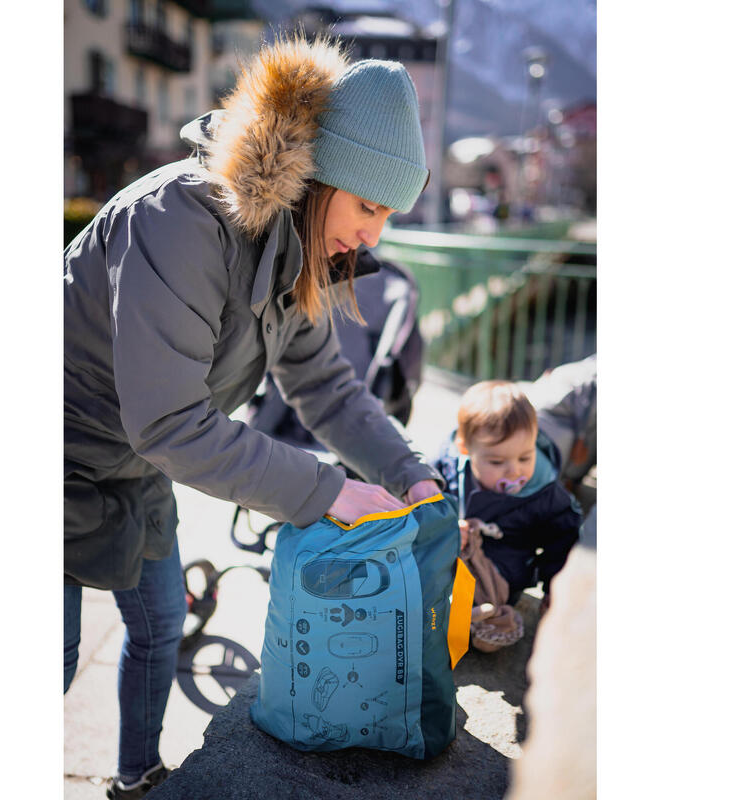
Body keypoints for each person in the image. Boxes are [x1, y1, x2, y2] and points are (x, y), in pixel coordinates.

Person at [64, 34, 442, 799]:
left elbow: (325, 387)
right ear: (317, 179)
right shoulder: (178, 220)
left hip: (132, 468)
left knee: (163, 624)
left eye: (389, 215)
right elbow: (172, 424)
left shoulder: (298, 249)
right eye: (368, 206)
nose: (375, 235)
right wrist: (327, 490)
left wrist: (408, 472)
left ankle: (135, 777)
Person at [432, 380, 581, 650]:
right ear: (464, 448)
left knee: (493, 594)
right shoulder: (447, 467)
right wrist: (445, 525)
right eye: (497, 462)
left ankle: (484, 619)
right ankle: (442, 615)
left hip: (504, 568)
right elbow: (425, 502)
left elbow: (562, 541)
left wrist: (553, 589)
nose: (514, 472)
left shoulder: (546, 494)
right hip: (456, 554)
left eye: (525, 458)